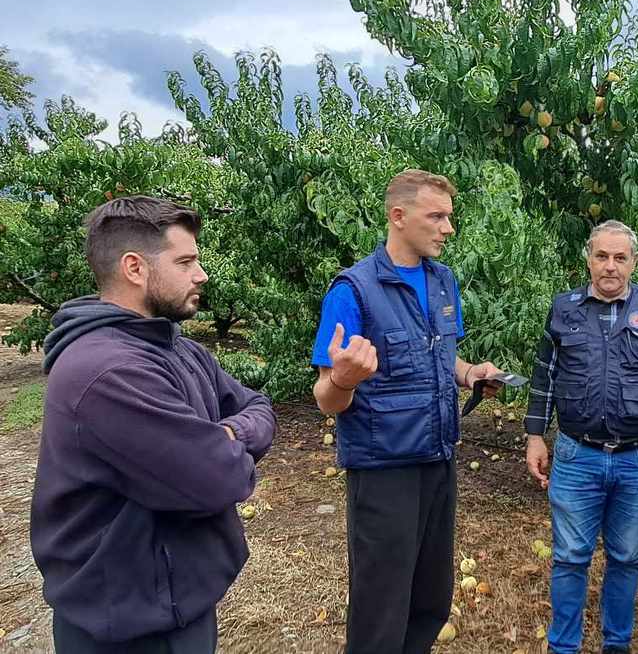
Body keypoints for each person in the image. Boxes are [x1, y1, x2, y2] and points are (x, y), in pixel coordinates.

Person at [30, 196, 277, 654]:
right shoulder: (107, 372)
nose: (201, 275)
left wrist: (228, 434)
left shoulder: (177, 349)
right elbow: (215, 479)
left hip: (176, 602)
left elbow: (259, 406)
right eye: (185, 261)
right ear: (135, 268)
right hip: (126, 624)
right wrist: (226, 443)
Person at [310, 168, 500, 654]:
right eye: (436, 216)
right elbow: (325, 396)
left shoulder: (442, 281)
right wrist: (345, 378)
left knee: (430, 597)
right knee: (381, 602)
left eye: (449, 217)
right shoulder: (352, 291)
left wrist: (468, 373)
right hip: (384, 466)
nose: (447, 228)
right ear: (398, 216)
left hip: (438, 456)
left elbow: (437, 353)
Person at [524, 220, 638, 654]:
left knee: (626, 558)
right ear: (588, 259)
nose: (610, 266)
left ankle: (617, 645)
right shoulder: (563, 309)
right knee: (570, 557)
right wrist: (535, 435)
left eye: (619, 257)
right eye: (601, 256)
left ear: (634, 262)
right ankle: (563, 647)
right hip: (576, 456)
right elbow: (544, 378)